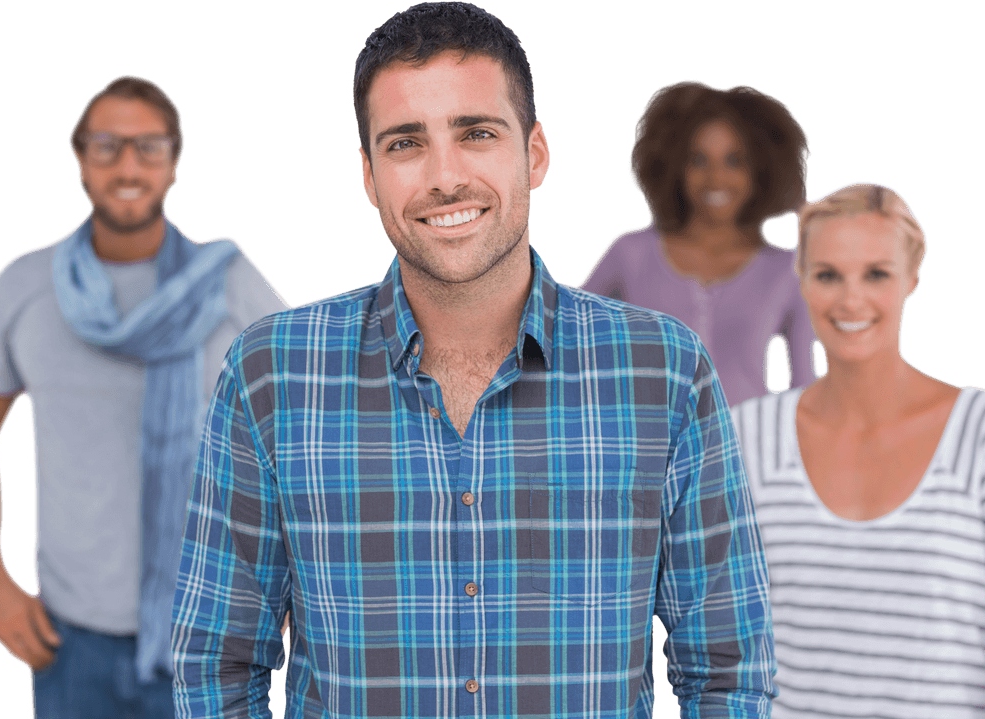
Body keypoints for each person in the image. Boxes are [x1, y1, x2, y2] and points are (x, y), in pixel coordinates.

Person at [171, 3, 775, 717]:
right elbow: (216, 665)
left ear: (536, 152)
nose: (444, 176)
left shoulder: (665, 372)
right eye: (405, 144)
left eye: (476, 133)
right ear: (368, 177)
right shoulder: (270, 375)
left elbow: (728, 670)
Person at [0, 75, 288, 718]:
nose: (128, 166)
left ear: (174, 163)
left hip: (207, 635)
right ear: (79, 159)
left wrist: (286, 592)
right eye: (108, 146)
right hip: (68, 645)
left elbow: (306, 432)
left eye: (148, 147)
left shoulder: (229, 283)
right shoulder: (22, 286)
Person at [730, 182, 985, 718]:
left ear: (912, 277)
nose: (851, 300)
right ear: (800, 280)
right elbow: (715, 636)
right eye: (827, 275)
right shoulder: (747, 434)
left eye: (876, 273)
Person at [581, 81, 815, 406]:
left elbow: (805, 388)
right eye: (698, 160)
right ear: (675, 166)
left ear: (761, 170)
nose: (716, 178)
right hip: (649, 447)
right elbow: (566, 334)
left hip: (745, 449)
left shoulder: (786, 272)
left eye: (735, 161)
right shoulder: (632, 255)